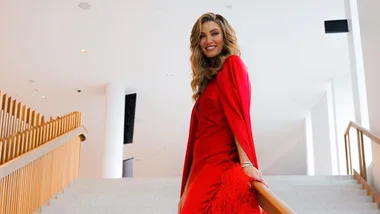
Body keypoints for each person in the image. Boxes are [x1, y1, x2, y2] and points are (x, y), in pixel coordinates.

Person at [178, 12, 267, 214]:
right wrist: (186, 188)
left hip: (220, 165)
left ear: (225, 36)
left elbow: (239, 117)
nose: (208, 40)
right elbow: (198, 139)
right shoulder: (208, 81)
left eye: (214, 33)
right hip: (200, 171)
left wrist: (246, 164)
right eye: (202, 36)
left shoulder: (233, 64)